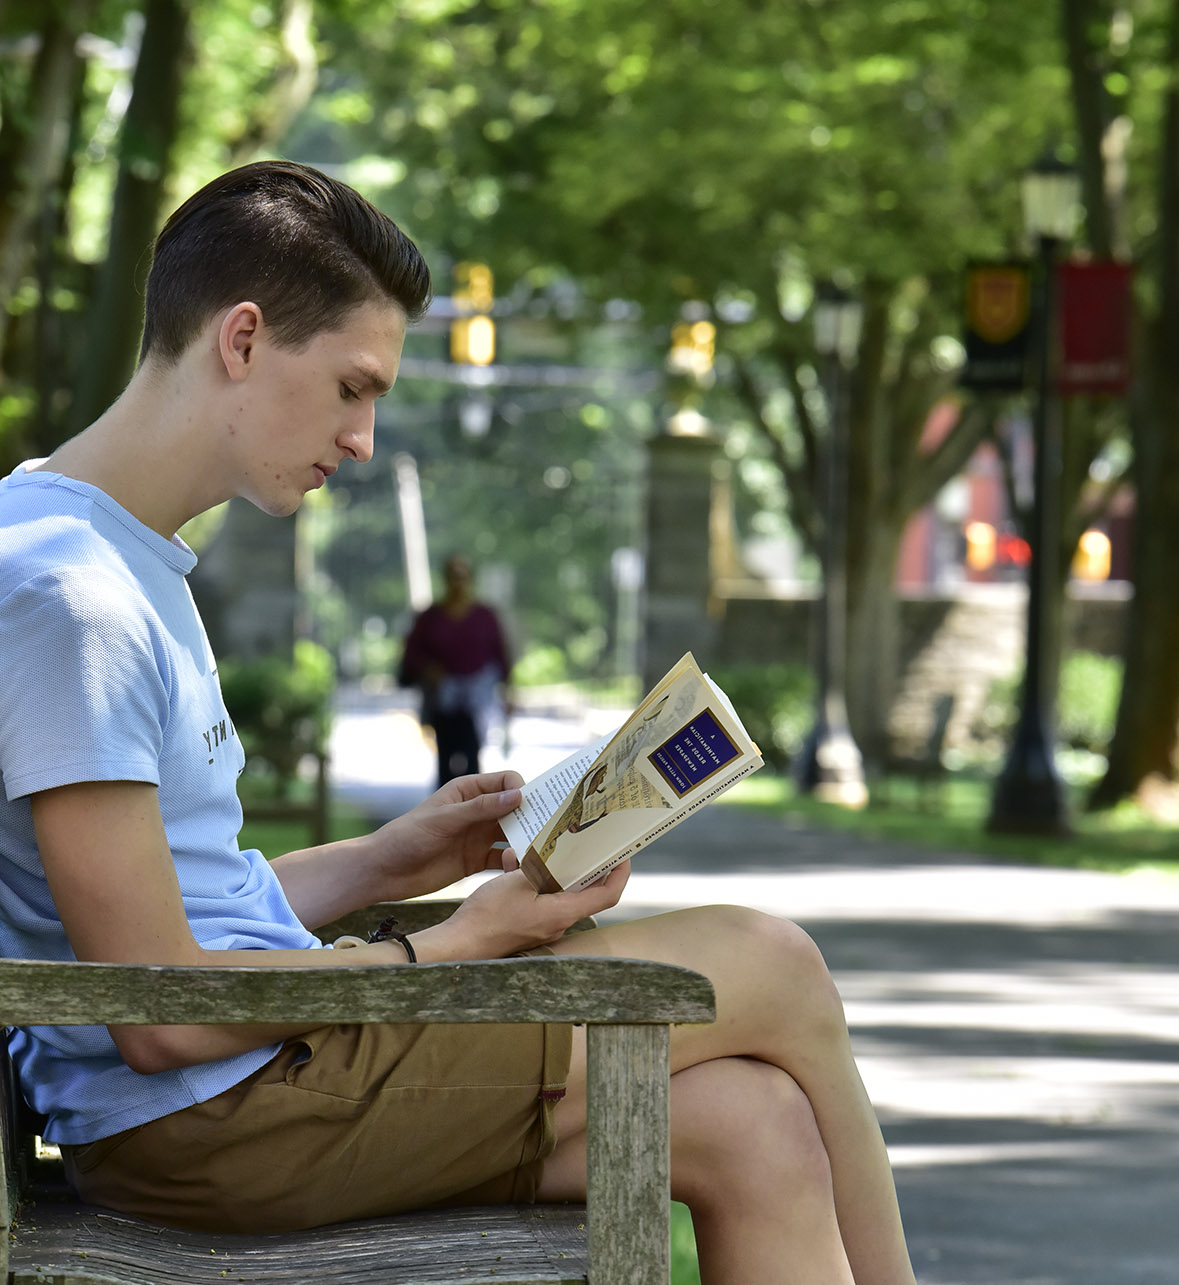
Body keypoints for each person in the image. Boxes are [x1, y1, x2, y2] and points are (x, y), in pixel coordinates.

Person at [0, 159, 916, 1285]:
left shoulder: (100, 555)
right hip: (217, 1118)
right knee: (773, 964)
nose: (364, 438)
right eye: (352, 387)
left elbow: (174, 916)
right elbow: (161, 1015)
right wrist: (448, 945)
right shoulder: (71, 596)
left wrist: (389, 858)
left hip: (253, 1090)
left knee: (753, 1124)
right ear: (241, 339)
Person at [399, 553, 513, 786]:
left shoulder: (485, 616)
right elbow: (412, 656)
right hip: (444, 700)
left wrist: (509, 692)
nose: (458, 581)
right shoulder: (430, 617)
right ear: (446, 579)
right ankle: (445, 811)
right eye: (453, 575)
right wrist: (429, 670)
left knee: (473, 757)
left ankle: (471, 813)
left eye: (463, 576)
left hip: (478, 701)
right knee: (445, 760)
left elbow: (501, 656)